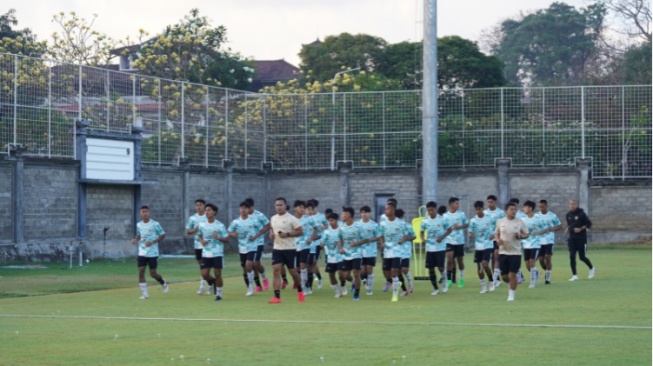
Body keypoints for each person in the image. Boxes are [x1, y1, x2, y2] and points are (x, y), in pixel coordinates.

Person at [268, 197, 305, 304]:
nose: (278, 207)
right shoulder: (273, 218)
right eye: (277, 205)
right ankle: (277, 297)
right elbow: (272, 229)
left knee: (292, 272)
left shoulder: (292, 218)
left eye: (281, 205)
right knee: (276, 270)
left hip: (290, 249)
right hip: (277, 248)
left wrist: (287, 234)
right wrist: (271, 234)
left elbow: (300, 232)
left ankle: (300, 290)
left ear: (285, 205)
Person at [495, 202, 529, 301]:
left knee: (512, 274)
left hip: (515, 253)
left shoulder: (520, 222)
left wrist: (521, 236)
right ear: (506, 210)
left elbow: (527, 234)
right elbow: (496, 233)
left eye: (515, 209)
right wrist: (498, 240)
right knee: (505, 276)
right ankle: (511, 284)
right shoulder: (500, 222)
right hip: (503, 252)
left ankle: (511, 295)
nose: (513, 211)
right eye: (511, 209)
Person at [131, 205, 168, 300]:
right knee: (141, 271)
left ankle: (162, 281)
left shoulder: (155, 224)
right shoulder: (139, 225)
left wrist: (152, 242)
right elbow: (139, 235)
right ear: (140, 214)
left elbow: (163, 235)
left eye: (146, 211)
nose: (145, 213)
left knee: (152, 273)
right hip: (142, 252)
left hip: (152, 252)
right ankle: (145, 294)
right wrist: (135, 240)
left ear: (149, 213)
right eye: (143, 212)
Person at [379, 203, 413, 302]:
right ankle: (397, 283)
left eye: (387, 209)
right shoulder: (383, 224)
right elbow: (380, 235)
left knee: (395, 272)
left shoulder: (401, 223)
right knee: (387, 273)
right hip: (387, 252)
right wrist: (382, 243)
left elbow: (407, 235)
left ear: (393, 211)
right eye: (385, 209)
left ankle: (395, 295)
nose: (385, 211)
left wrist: (403, 240)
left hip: (398, 251)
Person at [228, 201, 263, 297]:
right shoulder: (236, 222)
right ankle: (249, 286)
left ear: (248, 210)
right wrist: (232, 234)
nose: (243, 210)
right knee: (244, 269)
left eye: (245, 208)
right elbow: (228, 232)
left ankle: (251, 287)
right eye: (241, 208)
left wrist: (255, 237)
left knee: (249, 265)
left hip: (252, 246)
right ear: (239, 210)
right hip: (242, 248)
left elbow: (261, 229)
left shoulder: (253, 221)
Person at [197, 203, 230, 301]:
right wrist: (202, 241)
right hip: (206, 253)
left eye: (209, 210)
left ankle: (219, 294)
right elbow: (199, 234)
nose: (207, 212)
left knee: (217, 273)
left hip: (217, 253)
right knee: (204, 274)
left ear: (214, 212)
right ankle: (213, 282)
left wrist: (218, 237)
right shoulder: (202, 224)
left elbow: (227, 239)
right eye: (206, 210)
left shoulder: (219, 225)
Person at [420, 201, 452, 295]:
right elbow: (421, 232)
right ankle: (435, 288)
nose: (430, 212)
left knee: (440, 267)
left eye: (432, 210)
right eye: (429, 210)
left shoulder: (442, 219)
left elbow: (449, 230)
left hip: (440, 247)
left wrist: (441, 237)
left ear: (435, 209)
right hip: (430, 248)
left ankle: (444, 282)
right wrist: (423, 239)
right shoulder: (425, 221)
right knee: (430, 268)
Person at [338, 207, 366, 301]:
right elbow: (340, 238)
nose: (342, 216)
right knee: (345, 276)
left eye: (343, 214)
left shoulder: (358, 226)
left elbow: (365, 239)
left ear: (348, 215)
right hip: (346, 254)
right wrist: (341, 248)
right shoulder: (341, 227)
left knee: (355, 272)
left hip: (356, 253)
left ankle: (356, 294)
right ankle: (354, 282)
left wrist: (356, 244)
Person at [469, 201, 496, 294]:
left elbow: (497, 228)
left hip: (487, 245)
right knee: (479, 267)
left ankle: (491, 281)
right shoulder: (473, 221)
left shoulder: (489, 218)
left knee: (485, 264)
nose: (478, 211)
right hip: (478, 246)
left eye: (479, 209)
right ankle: (483, 286)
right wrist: (470, 234)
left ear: (482, 209)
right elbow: (470, 231)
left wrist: (493, 235)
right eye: (476, 210)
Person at [565, 199, 595, 281]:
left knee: (582, 257)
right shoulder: (568, 215)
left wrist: (581, 228)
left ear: (576, 205)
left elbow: (589, 224)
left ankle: (591, 268)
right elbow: (570, 225)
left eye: (574, 204)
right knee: (572, 256)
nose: (572, 205)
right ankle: (574, 275)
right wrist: (568, 228)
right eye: (570, 204)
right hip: (572, 239)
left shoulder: (582, 214)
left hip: (581, 239)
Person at [244, 198, 270, 291]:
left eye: (248, 207)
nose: (246, 210)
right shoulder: (244, 216)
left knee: (256, 264)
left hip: (258, 242)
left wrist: (260, 232)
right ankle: (258, 285)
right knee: (250, 265)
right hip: (248, 244)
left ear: (252, 207)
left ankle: (264, 277)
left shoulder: (259, 215)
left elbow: (268, 225)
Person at [293, 200, 318, 294]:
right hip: (294, 246)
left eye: (303, 207)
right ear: (295, 208)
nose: (302, 209)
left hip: (306, 245)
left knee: (304, 265)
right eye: (300, 207)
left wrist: (311, 238)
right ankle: (305, 283)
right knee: (297, 268)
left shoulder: (308, 218)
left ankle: (304, 286)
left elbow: (316, 229)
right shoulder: (291, 219)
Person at [444, 197, 469, 288]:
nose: (458, 205)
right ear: (451, 205)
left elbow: (467, 224)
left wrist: (460, 226)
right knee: (449, 259)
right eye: (456, 203)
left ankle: (461, 279)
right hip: (449, 240)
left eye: (458, 203)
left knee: (460, 261)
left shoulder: (461, 214)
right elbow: (443, 227)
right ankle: (449, 280)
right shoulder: (445, 216)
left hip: (459, 241)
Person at [521, 200, 547, 288]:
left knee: (532, 262)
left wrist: (539, 232)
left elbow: (545, 229)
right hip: (526, 244)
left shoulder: (538, 218)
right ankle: (536, 273)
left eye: (525, 207)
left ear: (530, 208)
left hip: (535, 244)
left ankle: (532, 282)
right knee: (527, 265)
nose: (523, 209)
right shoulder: (522, 219)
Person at [536, 200, 562, 285]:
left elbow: (559, 225)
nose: (541, 208)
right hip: (539, 241)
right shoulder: (536, 216)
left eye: (542, 206)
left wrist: (552, 229)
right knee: (541, 260)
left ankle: (547, 278)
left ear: (546, 206)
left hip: (549, 240)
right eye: (539, 207)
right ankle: (548, 271)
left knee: (547, 257)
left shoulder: (552, 216)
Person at [185, 199, 208, 294]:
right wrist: (194, 229)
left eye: (200, 205)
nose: (198, 207)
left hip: (208, 245)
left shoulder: (208, 216)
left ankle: (203, 286)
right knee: (202, 266)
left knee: (206, 266)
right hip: (198, 245)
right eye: (197, 205)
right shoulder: (193, 218)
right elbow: (187, 231)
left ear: (204, 206)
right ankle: (209, 283)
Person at [484, 195, 506, 288]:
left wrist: (495, 234)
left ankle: (496, 279)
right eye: (488, 202)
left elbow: (504, 225)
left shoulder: (500, 213)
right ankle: (494, 278)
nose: (490, 204)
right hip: (487, 240)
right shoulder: (484, 213)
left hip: (497, 238)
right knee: (487, 260)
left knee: (495, 257)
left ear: (495, 202)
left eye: (491, 202)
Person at [358, 206, 380, 295]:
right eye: (362, 212)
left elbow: (378, 237)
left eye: (366, 212)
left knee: (369, 268)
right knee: (362, 270)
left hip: (371, 250)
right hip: (360, 251)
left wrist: (370, 239)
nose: (364, 214)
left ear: (369, 213)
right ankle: (364, 279)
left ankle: (369, 289)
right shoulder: (357, 225)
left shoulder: (374, 225)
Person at [322, 212, 344, 297]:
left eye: (332, 220)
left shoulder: (341, 229)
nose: (330, 222)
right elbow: (323, 240)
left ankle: (343, 284)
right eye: (329, 220)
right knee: (331, 274)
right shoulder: (327, 231)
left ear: (336, 220)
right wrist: (322, 243)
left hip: (340, 256)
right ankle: (337, 292)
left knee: (341, 273)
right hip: (331, 256)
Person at [396, 209, 416, 296]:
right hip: (395, 250)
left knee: (404, 269)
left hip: (405, 249)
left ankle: (410, 284)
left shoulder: (407, 226)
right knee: (397, 271)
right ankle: (403, 289)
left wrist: (406, 238)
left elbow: (414, 236)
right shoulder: (392, 226)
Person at [307, 199, 327, 289]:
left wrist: (324, 227)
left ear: (315, 208)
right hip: (308, 243)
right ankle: (318, 277)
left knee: (314, 263)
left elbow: (327, 225)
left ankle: (317, 279)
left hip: (318, 242)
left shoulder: (321, 217)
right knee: (308, 264)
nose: (310, 211)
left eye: (312, 208)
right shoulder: (306, 218)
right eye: (308, 209)